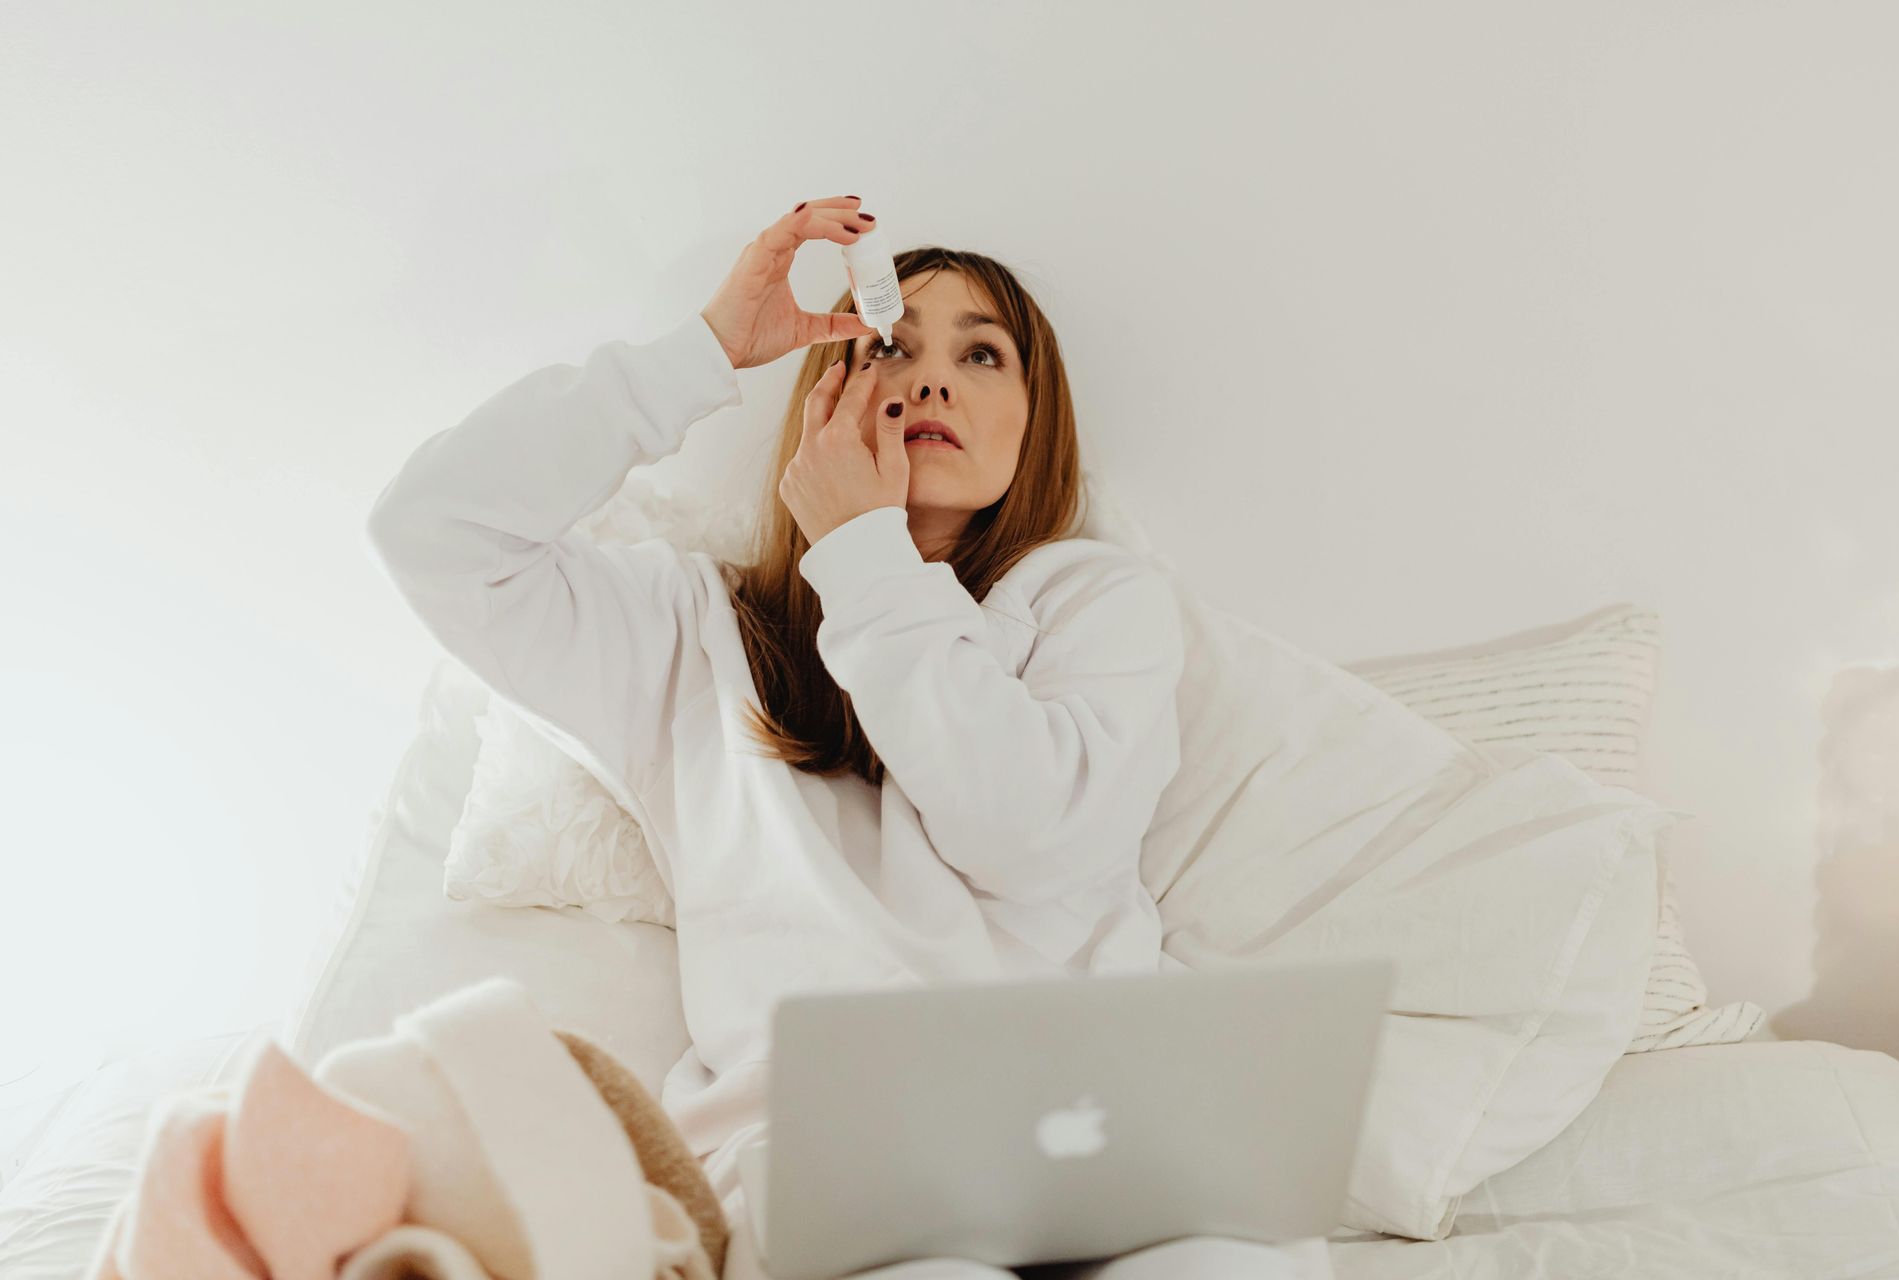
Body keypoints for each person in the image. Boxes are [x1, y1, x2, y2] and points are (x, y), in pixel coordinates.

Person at [365, 197, 1329, 1279]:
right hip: (842, 1170)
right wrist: (706, 350)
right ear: (830, 391)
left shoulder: (1096, 602)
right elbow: (433, 533)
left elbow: (1030, 835)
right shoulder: (694, 631)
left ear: (1035, 421)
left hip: (1097, 1134)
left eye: (982, 354)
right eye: (891, 345)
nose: (931, 380)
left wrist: (871, 556)